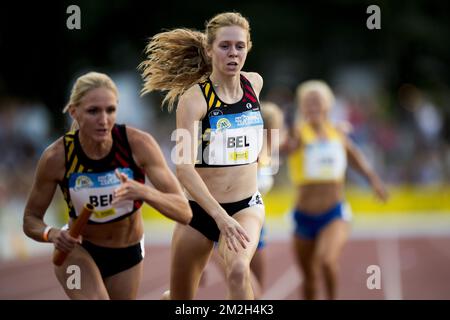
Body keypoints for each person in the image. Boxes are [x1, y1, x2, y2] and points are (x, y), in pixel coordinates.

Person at [22, 71, 192, 300]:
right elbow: (30, 219)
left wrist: (143, 191)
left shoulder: (138, 144)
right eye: (93, 111)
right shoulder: (57, 157)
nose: (103, 120)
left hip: (127, 252)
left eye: (110, 110)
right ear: (74, 112)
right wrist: (50, 234)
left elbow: (184, 211)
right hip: (77, 251)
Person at [140, 12, 266, 300]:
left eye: (239, 46)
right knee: (181, 299)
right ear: (209, 50)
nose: (233, 53)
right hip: (199, 212)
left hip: (245, 207)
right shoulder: (193, 101)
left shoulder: (255, 84)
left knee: (237, 271)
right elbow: (183, 169)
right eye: (224, 46)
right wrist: (219, 217)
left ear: (248, 47)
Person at [283, 80, 388, 300]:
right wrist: (284, 146)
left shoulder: (338, 134)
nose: (312, 106)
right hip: (303, 216)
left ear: (328, 105)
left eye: (317, 101)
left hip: (334, 213)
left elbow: (356, 158)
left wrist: (374, 181)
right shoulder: (298, 134)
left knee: (327, 261)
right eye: (307, 102)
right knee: (309, 278)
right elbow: (282, 146)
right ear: (301, 107)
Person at [200, 101, 284, 299]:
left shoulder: (271, 152)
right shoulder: (243, 151)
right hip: (227, 225)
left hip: (255, 225)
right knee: (249, 287)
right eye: (276, 128)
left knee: (252, 293)